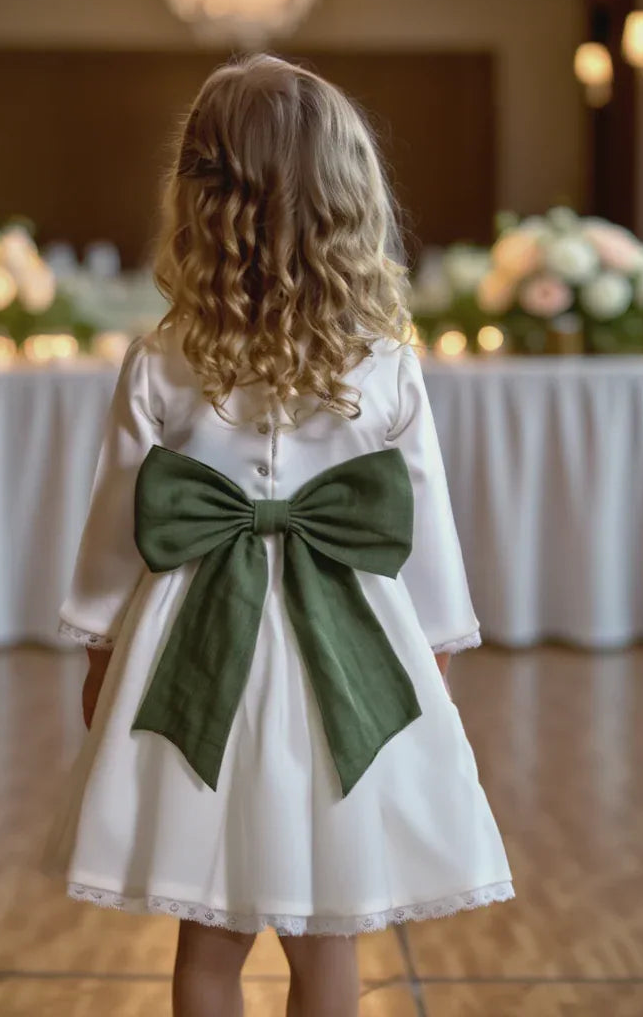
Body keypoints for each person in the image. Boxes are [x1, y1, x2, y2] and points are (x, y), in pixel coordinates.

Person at [41, 54, 513, 1017]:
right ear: (347, 194)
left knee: (208, 944)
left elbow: (123, 525)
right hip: (346, 664)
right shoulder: (384, 363)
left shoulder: (161, 359)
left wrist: (100, 644)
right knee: (328, 942)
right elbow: (419, 528)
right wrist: (429, 651)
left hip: (193, 657)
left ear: (200, 195)